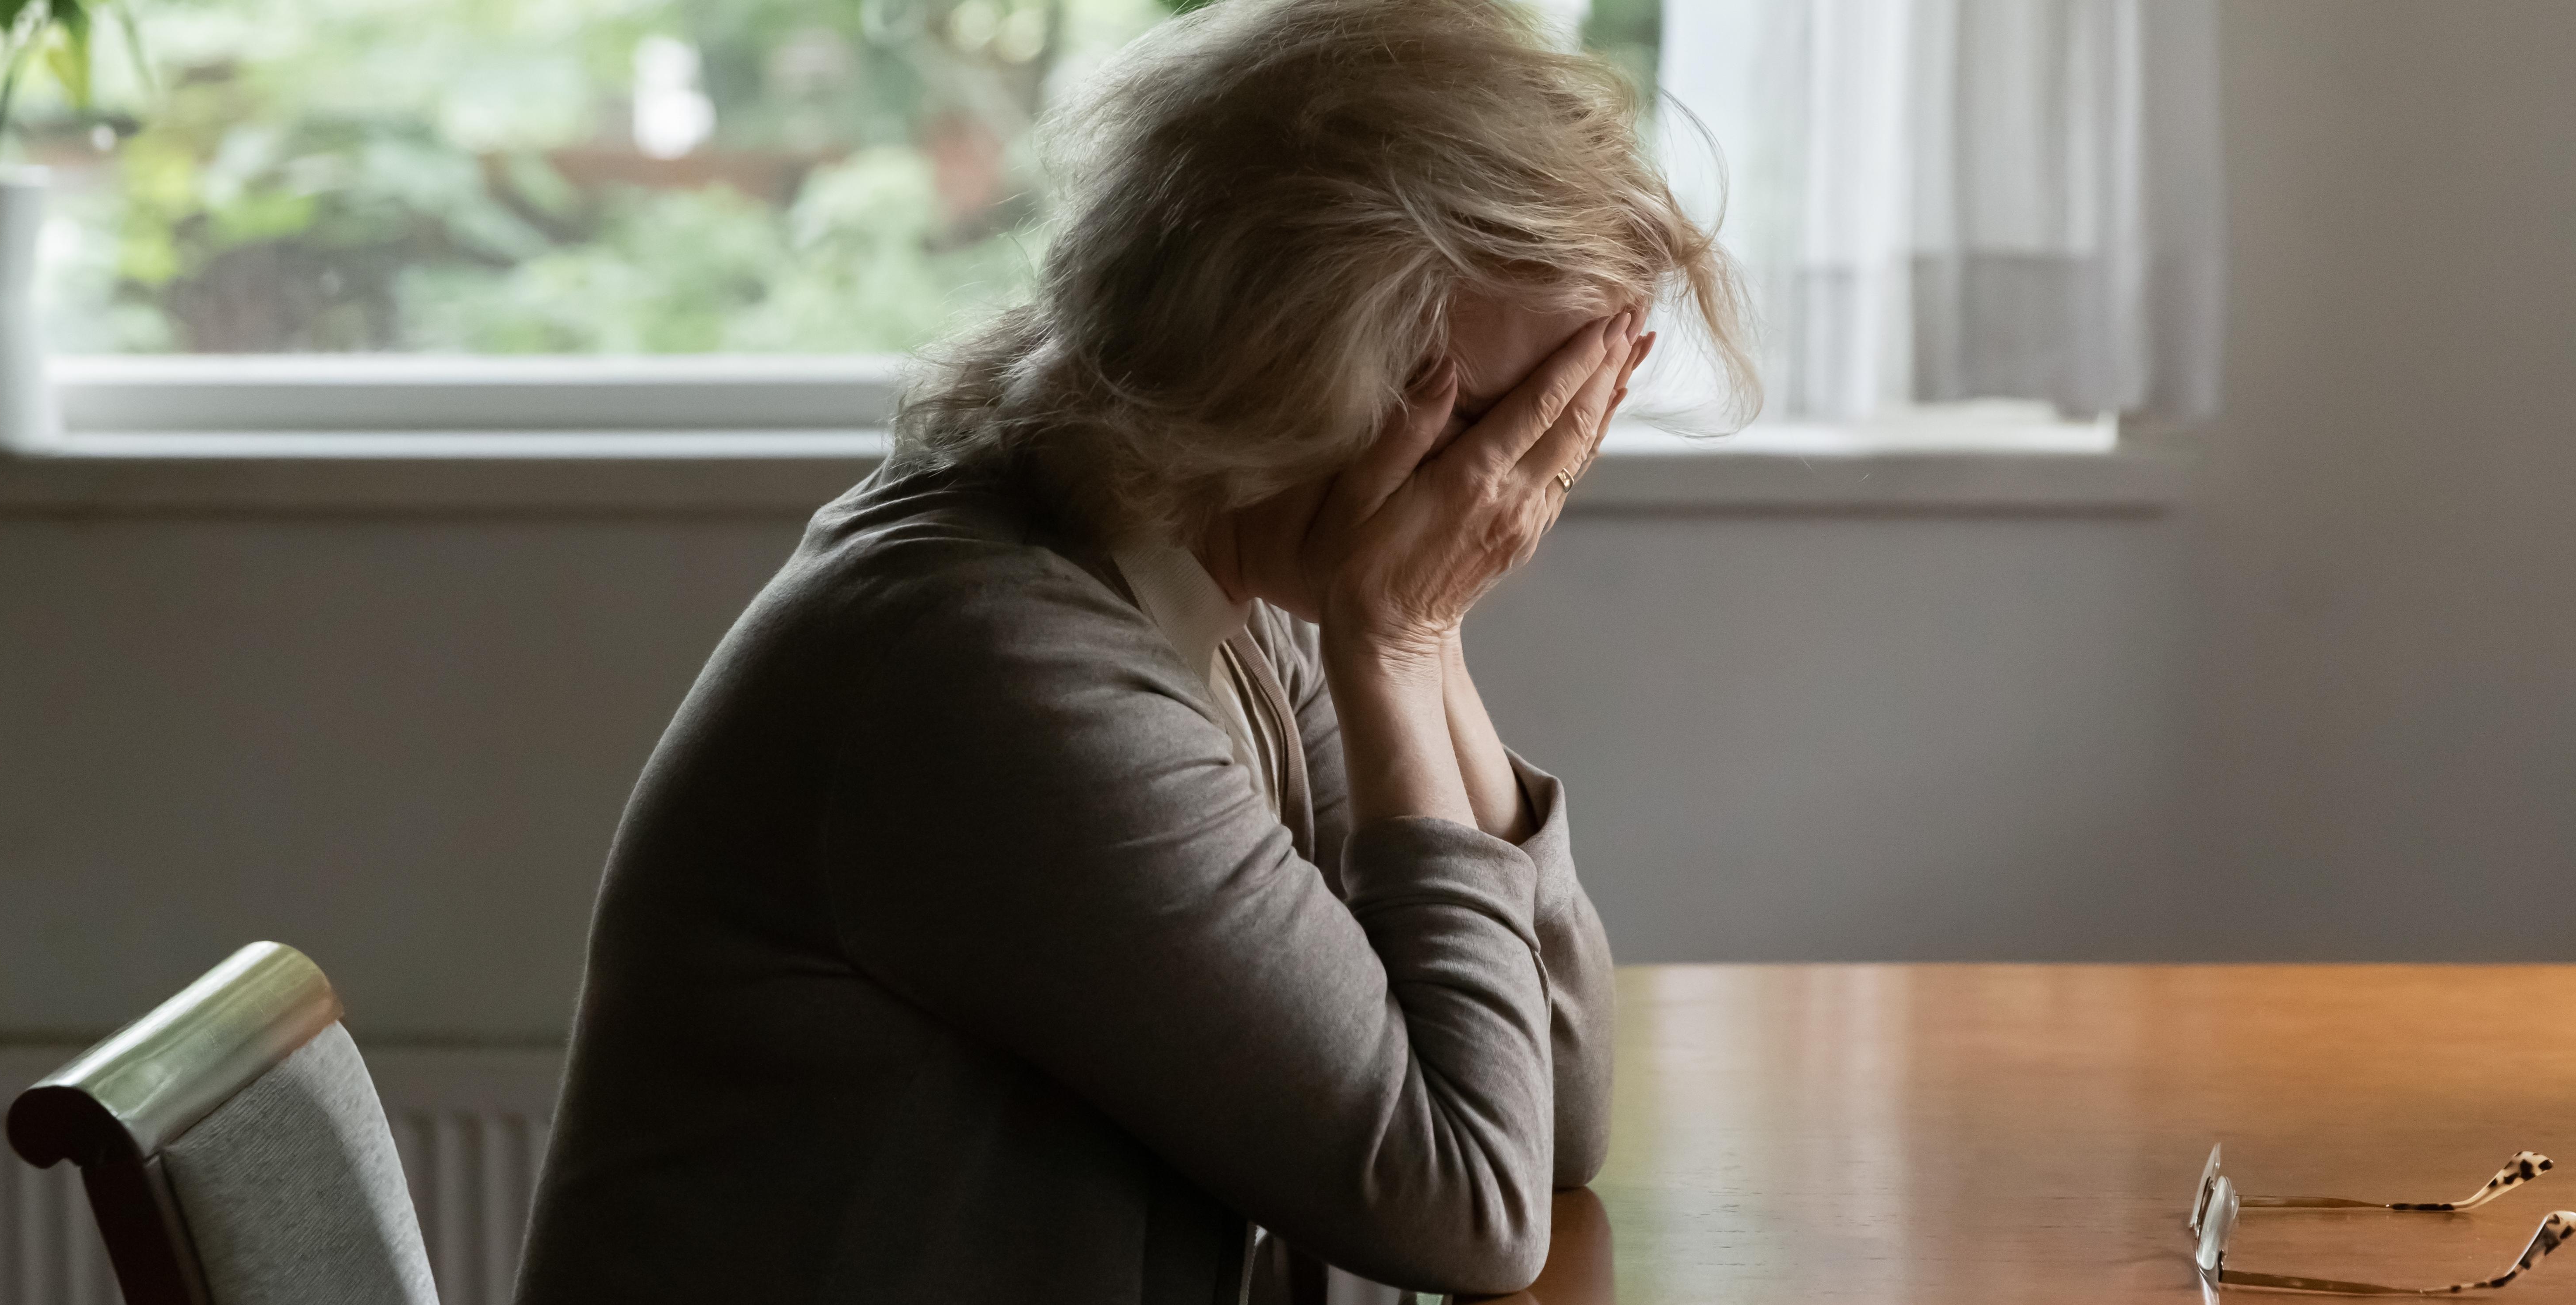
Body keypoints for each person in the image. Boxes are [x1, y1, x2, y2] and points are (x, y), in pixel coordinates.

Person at [513, 0, 1749, 1301]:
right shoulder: (989, 670)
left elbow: (1550, 1125)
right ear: (1290, 351)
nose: (1509, 491)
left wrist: (1418, 641)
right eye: (1493, 421)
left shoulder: (1219, 581)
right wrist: (1399, 634)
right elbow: (1464, 1209)